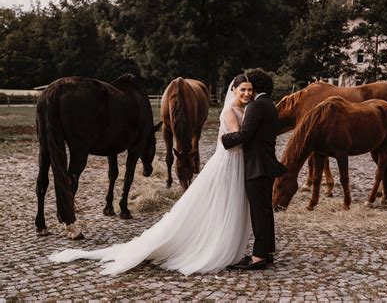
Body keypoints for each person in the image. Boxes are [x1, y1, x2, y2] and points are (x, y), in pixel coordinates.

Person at [49, 74, 254, 276]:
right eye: (242, 89)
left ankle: (227, 243)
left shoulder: (242, 108)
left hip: (232, 161)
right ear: (233, 90)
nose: (246, 93)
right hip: (229, 159)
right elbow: (234, 138)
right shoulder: (229, 111)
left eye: (249, 90)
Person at [221, 69, 287, 270]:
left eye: (250, 88)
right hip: (265, 164)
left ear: (255, 87)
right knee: (265, 211)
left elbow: (245, 134)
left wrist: (223, 139)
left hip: (257, 166)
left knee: (260, 213)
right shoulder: (269, 103)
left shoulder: (257, 106)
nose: (248, 92)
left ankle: (259, 257)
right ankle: (267, 252)